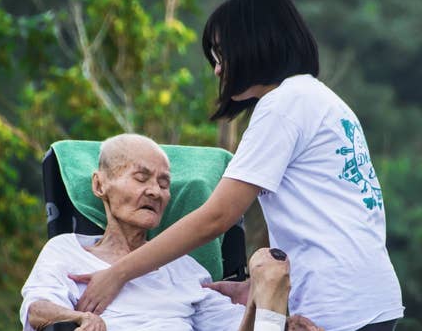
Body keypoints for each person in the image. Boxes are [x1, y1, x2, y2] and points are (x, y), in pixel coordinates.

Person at [72, 0, 404, 331]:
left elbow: (217, 217)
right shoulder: (323, 100)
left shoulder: (282, 106)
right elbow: (330, 215)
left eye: (220, 54)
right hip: (369, 294)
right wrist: (254, 288)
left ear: (253, 42)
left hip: (339, 305)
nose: (217, 69)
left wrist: (119, 273)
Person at [20, 134, 300, 331]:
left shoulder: (184, 268)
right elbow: (36, 310)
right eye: (141, 178)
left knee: (268, 266)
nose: (155, 191)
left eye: (165, 184)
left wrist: (269, 308)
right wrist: (79, 318)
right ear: (99, 184)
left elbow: (232, 326)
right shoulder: (68, 250)